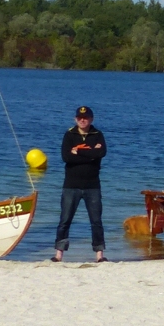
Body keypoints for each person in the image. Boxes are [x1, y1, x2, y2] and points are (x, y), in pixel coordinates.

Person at [53, 105, 107, 262]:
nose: (82, 120)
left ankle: (99, 255)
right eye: (79, 118)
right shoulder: (69, 134)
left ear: (91, 119)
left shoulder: (98, 134)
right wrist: (90, 153)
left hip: (92, 185)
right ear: (75, 119)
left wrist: (79, 150)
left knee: (96, 221)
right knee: (65, 220)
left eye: (86, 117)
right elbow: (67, 157)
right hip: (71, 185)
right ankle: (59, 254)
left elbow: (101, 153)